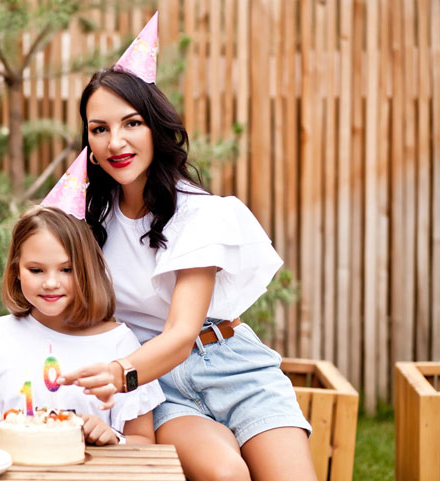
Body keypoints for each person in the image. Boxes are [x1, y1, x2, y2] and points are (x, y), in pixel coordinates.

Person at [58, 68, 317, 481]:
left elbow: (181, 333)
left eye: (132, 123)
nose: (115, 142)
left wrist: (116, 372)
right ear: (87, 143)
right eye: (99, 129)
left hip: (230, 364)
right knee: (225, 474)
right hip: (156, 383)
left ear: (156, 129)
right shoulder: (87, 220)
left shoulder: (201, 212)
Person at [0, 206, 164, 446]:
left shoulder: (120, 344)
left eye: (66, 269)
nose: (51, 283)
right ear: (16, 271)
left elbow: (144, 441)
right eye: (36, 270)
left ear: (86, 271)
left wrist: (114, 437)